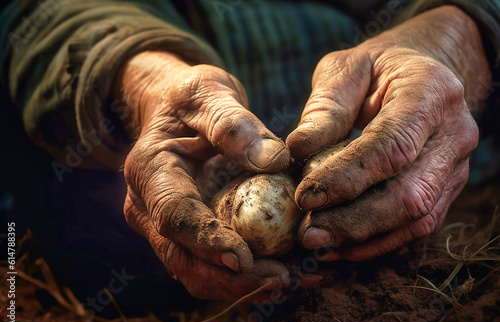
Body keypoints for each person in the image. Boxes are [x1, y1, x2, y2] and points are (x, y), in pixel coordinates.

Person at [1, 0, 499, 306]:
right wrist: (147, 82)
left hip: (460, 220)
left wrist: (457, 37)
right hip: (119, 268)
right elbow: (32, 16)